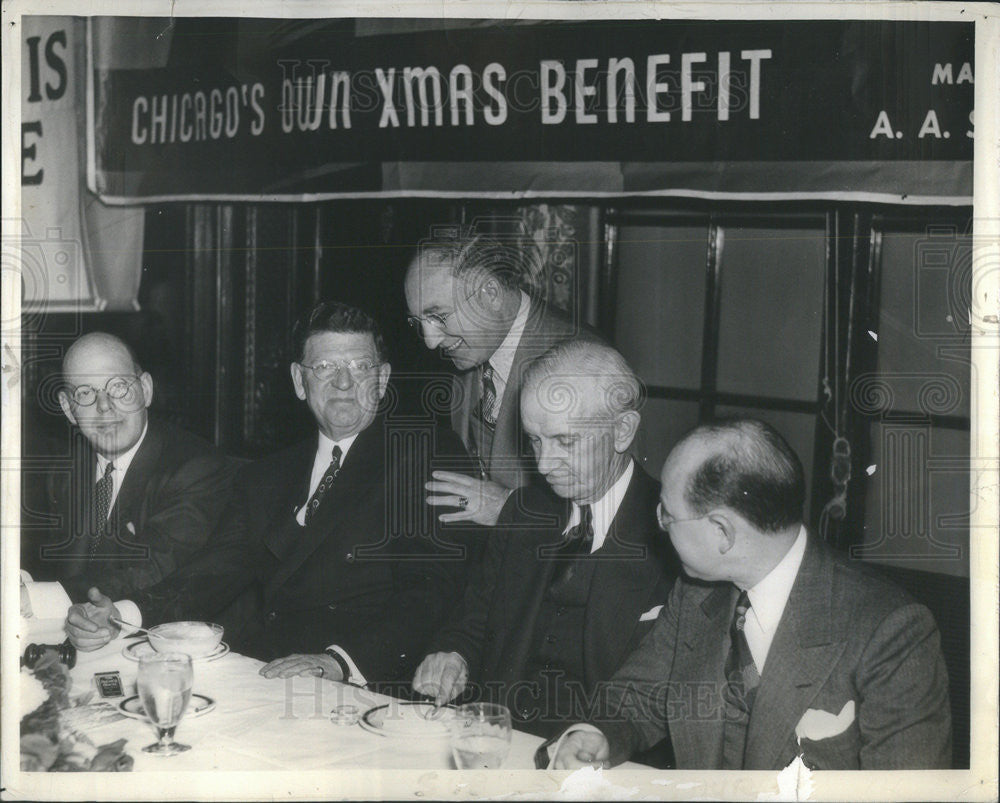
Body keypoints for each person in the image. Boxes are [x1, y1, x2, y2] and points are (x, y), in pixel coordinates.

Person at [65, 302, 475, 686]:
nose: (344, 382)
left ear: (382, 379)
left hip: (365, 684)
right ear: (300, 381)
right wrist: (122, 614)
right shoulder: (268, 475)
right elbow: (216, 571)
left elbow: (431, 588)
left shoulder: (423, 453)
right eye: (326, 366)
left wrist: (339, 661)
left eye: (359, 366)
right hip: (269, 673)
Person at [551, 418, 952, 770]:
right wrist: (597, 734)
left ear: (722, 532)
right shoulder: (696, 594)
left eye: (667, 515)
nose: (659, 524)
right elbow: (639, 697)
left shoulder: (892, 631)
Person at [412, 340, 680, 753]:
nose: (543, 464)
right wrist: (454, 655)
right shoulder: (525, 512)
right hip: (502, 741)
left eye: (565, 442)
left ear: (622, 430)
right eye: (535, 441)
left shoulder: (673, 536)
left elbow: (666, 697)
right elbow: (475, 619)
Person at [23, 332, 235, 603]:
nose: (104, 406)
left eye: (118, 387)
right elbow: (54, 565)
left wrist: (41, 597)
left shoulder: (197, 468)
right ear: (68, 408)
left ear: (145, 390)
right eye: (86, 392)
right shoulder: (65, 471)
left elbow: (154, 571)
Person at [404, 232, 595, 527]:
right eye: (419, 322)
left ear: (490, 293)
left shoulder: (581, 360)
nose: (430, 341)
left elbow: (600, 512)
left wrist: (508, 509)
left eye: (439, 317)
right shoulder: (468, 350)